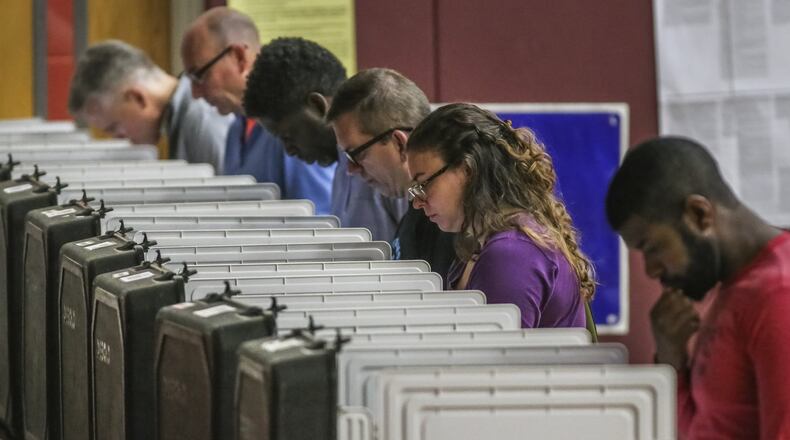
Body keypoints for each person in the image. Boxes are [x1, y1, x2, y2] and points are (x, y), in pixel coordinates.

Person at [606, 136, 790, 439]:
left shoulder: (777, 294)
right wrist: (671, 359)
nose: (651, 270)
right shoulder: (735, 289)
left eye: (651, 247)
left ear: (699, 214)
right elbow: (702, 427)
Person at [406, 103, 594, 328]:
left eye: (424, 183)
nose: (417, 202)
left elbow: (497, 361)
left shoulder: (512, 252)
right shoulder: (488, 243)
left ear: (468, 169)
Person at [243, 37, 406, 241]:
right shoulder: (342, 165)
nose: (289, 151)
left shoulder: (388, 155)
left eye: (288, 136)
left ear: (318, 107)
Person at [181, 7, 334, 213]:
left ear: (239, 57)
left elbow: (322, 226)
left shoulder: (295, 122)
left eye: (199, 75)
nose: (195, 93)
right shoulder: (237, 126)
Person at [326, 68, 456, 278]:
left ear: (398, 143)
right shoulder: (418, 210)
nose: (351, 170)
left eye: (357, 154)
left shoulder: (451, 219)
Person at [68, 40, 231, 172]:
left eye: (114, 127)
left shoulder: (200, 119)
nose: (119, 138)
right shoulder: (181, 117)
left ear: (138, 98)